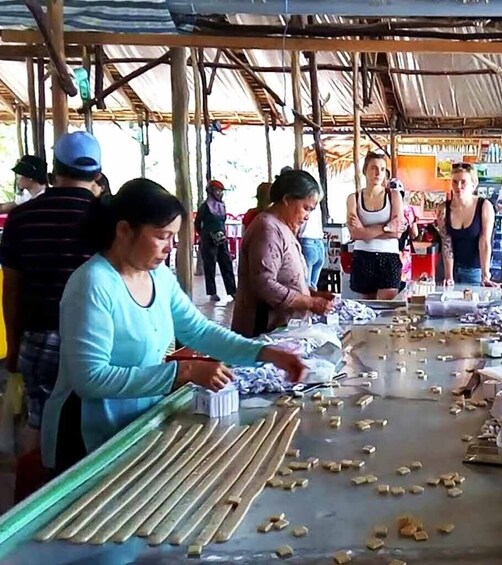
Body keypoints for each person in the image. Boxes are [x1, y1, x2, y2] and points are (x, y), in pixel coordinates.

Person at [41, 179, 307, 474]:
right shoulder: (93, 284)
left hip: (139, 420)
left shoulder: (158, 277)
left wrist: (266, 353)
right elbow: (89, 379)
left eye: (174, 237)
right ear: (124, 230)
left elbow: (199, 331)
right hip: (88, 434)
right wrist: (185, 372)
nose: (170, 247)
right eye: (161, 236)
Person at [0, 132, 102, 449]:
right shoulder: (110, 217)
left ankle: (34, 493)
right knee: (93, 422)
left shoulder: (22, 217)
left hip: (39, 335)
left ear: (53, 170)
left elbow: (12, 287)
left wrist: (14, 345)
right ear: (97, 174)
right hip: (96, 337)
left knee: (39, 420)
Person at [232, 170, 333, 338]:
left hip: (282, 330)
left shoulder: (283, 227)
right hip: (264, 331)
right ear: (287, 200)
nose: (307, 216)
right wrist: (309, 302)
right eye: (305, 208)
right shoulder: (267, 229)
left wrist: (311, 293)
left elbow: (286, 277)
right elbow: (264, 285)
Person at [346, 152, 404, 300]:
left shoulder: (393, 196)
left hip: (389, 256)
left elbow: (397, 232)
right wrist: (386, 227)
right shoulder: (354, 198)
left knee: (386, 308)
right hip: (363, 256)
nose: (378, 173)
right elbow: (354, 234)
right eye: (374, 168)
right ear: (365, 170)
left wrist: (365, 230)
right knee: (367, 310)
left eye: (383, 169)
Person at [437, 163, 496, 286]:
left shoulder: (484, 206)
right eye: (455, 182)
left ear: (473, 184)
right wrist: (449, 276)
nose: (458, 186)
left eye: (463, 182)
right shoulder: (443, 209)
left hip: (474, 271)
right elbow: (446, 243)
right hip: (449, 268)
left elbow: (484, 242)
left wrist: (485, 275)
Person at [195, 179, 237, 302]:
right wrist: (204, 235)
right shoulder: (205, 206)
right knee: (210, 266)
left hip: (221, 239)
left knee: (226, 264)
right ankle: (212, 292)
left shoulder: (222, 205)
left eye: (220, 191)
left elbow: (222, 221)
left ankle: (232, 290)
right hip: (208, 240)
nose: (219, 193)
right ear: (210, 191)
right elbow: (197, 223)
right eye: (217, 190)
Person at [391, 179, 419, 290]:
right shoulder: (408, 210)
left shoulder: (384, 210)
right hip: (404, 254)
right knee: (402, 288)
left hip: (388, 252)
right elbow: (414, 233)